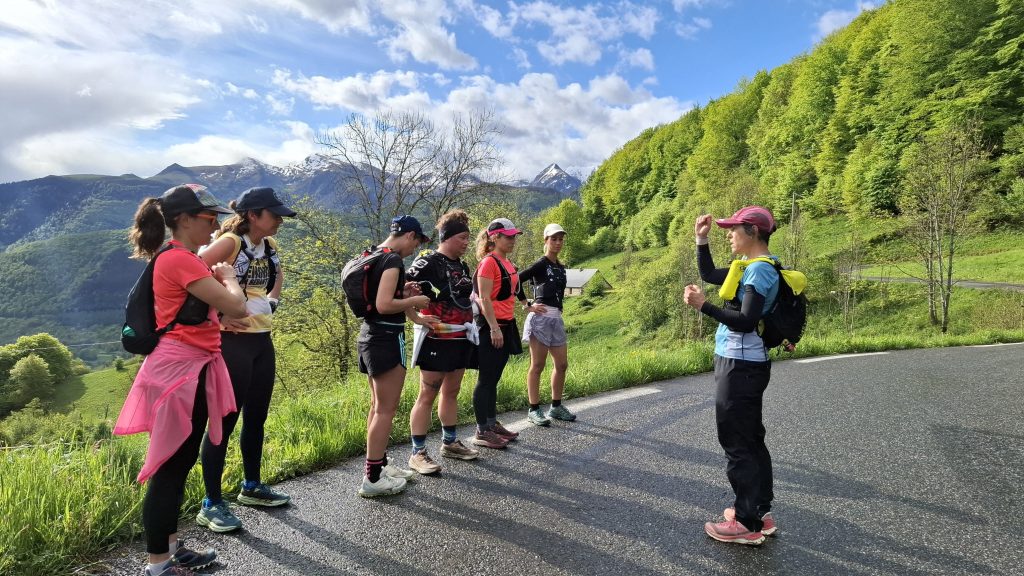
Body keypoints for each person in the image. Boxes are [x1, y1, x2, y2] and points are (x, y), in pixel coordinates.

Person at [114, 184, 248, 576]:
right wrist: (228, 277)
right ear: (185, 220)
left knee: (182, 459)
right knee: (170, 466)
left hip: (193, 366)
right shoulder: (181, 260)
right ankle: (158, 566)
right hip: (180, 372)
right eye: (211, 219)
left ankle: (171, 548)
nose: (218, 226)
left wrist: (219, 319)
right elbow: (236, 302)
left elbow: (194, 312)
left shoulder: (182, 259)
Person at [194, 187, 295, 533]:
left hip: (260, 340)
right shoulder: (230, 243)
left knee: (257, 417)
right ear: (253, 215)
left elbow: (278, 275)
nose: (280, 220)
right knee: (223, 421)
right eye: (274, 214)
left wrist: (272, 303)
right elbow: (189, 277)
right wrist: (217, 320)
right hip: (230, 342)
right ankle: (211, 503)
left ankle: (251, 486)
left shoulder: (269, 246)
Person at [682, 206, 781, 546]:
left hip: (739, 365)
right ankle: (758, 511)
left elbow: (745, 321)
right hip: (747, 364)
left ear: (752, 232)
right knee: (751, 438)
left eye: (734, 229)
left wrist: (702, 306)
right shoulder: (753, 267)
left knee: (737, 442)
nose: (729, 234)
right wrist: (701, 238)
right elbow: (709, 271)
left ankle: (746, 521)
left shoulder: (757, 273)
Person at [357, 215, 436, 497]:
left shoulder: (373, 254)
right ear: (410, 235)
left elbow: (382, 299)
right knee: (385, 410)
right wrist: (414, 301)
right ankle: (373, 478)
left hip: (369, 335)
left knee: (377, 406)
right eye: (417, 242)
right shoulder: (392, 261)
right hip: (386, 339)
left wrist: (404, 295)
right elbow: (384, 304)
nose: (414, 249)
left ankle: (380, 465)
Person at [404, 209, 481, 474]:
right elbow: (402, 288)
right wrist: (415, 317)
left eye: (468, 238)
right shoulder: (428, 261)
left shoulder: (462, 265)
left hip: (460, 335)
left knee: (452, 391)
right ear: (447, 237)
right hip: (436, 337)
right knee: (428, 393)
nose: (466, 243)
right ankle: (418, 453)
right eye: (462, 237)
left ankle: (449, 443)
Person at [471, 218, 545, 449]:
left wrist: (527, 305)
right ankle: (482, 431)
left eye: (514, 236)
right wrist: (493, 328)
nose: (513, 240)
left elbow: (516, 285)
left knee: (494, 377)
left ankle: (491, 424)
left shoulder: (506, 262)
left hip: (505, 323)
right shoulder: (488, 263)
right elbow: (484, 298)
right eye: (508, 236)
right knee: (486, 379)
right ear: (495, 238)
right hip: (490, 326)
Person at [519, 223, 576, 426]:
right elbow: (517, 280)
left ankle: (556, 406)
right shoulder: (541, 264)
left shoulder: (560, 268)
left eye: (561, 239)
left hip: (556, 319)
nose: (558, 243)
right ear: (546, 240)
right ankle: (533, 409)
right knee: (537, 365)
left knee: (561, 365)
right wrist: (527, 305)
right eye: (554, 239)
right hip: (541, 319)